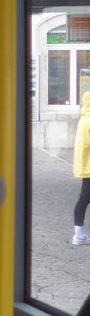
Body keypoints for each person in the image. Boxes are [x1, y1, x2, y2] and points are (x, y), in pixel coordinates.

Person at [74, 91, 90, 246]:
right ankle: (78, 235)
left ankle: (79, 234)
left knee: (84, 198)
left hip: (86, 166)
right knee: (84, 198)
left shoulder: (83, 119)